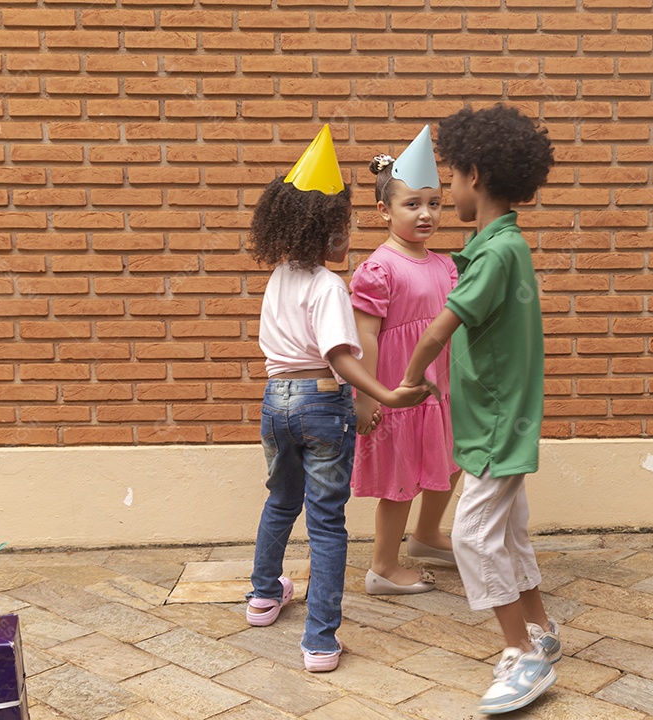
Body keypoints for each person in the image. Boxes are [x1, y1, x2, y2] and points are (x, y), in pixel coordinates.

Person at [246, 125, 431, 674]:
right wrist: (386, 393)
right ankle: (321, 640)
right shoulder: (329, 287)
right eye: (340, 226)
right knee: (326, 523)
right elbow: (341, 357)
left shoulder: (278, 276)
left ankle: (262, 596)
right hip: (322, 402)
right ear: (319, 230)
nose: (346, 235)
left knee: (280, 500)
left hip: (274, 399)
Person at [401, 105, 560, 715]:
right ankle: (540, 630)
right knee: (508, 533)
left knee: (471, 535)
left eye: (450, 179)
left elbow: (439, 331)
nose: (448, 191)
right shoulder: (504, 245)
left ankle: (521, 655)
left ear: (474, 174)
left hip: (497, 426)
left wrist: (408, 382)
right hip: (503, 420)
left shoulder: (494, 256)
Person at [350, 126, 464, 596]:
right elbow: (364, 336)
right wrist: (366, 396)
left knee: (451, 460)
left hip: (441, 388)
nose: (425, 214)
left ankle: (428, 536)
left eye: (434, 203)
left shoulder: (444, 265)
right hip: (396, 390)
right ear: (384, 210)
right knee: (399, 479)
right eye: (411, 204)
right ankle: (382, 565)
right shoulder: (378, 268)